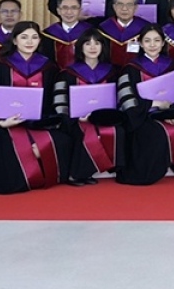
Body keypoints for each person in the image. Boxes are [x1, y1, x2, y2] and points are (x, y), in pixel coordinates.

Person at [0, 21, 71, 194]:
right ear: (15, 40)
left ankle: (39, 178)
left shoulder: (49, 67)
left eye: (34, 37)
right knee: (3, 142)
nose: (29, 42)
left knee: (62, 140)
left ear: (39, 41)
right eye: (24, 37)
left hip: (38, 123)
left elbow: (55, 100)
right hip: (5, 123)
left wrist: (53, 121)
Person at [114, 24, 174, 185]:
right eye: (147, 41)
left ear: (163, 43)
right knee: (153, 132)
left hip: (166, 115)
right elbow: (127, 99)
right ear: (140, 43)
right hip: (141, 116)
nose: (152, 45)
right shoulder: (131, 68)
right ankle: (145, 174)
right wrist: (153, 103)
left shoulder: (171, 65)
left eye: (157, 40)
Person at [51, 28, 122, 185]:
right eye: (88, 43)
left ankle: (89, 171)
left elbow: (118, 98)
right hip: (76, 119)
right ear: (80, 47)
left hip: (104, 119)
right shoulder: (67, 73)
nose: (92, 47)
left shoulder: (112, 72)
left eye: (97, 43)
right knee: (80, 133)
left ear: (103, 47)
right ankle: (76, 174)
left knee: (117, 131)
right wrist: (71, 117)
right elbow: (60, 100)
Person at [96, 0, 150, 67]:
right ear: (114, 7)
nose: (124, 8)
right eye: (120, 4)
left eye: (129, 5)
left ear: (135, 7)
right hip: (109, 71)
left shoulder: (145, 28)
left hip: (137, 70)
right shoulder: (103, 28)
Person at [42, 0, 94, 69]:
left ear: (80, 10)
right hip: (55, 75)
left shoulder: (91, 32)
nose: (69, 12)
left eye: (74, 8)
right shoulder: (48, 35)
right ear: (58, 11)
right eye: (65, 8)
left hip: (85, 75)